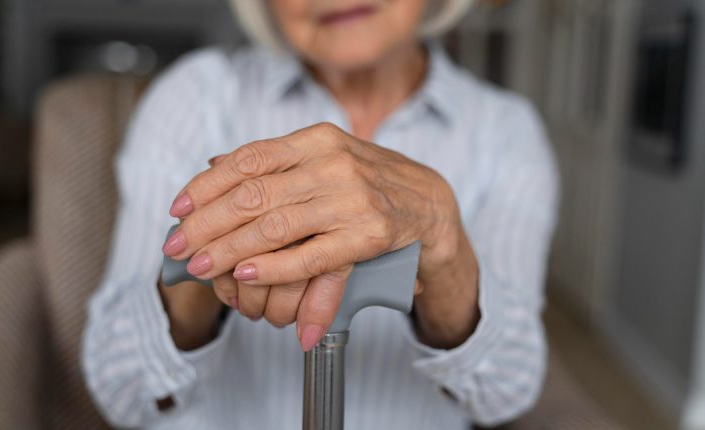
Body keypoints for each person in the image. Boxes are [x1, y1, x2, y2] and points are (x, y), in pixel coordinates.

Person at [81, 0, 559, 428]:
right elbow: (121, 392)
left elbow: (504, 394)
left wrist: (444, 246)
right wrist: (210, 264)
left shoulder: (505, 132)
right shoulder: (198, 94)